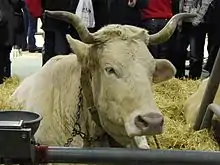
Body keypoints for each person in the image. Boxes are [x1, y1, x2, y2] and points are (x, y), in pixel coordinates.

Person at [0, 0, 25, 84]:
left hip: (5, 23)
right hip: (7, 23)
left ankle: (4, 77)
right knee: (5, 55)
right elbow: (19, 3)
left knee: (3, 54)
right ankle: (6, 77)